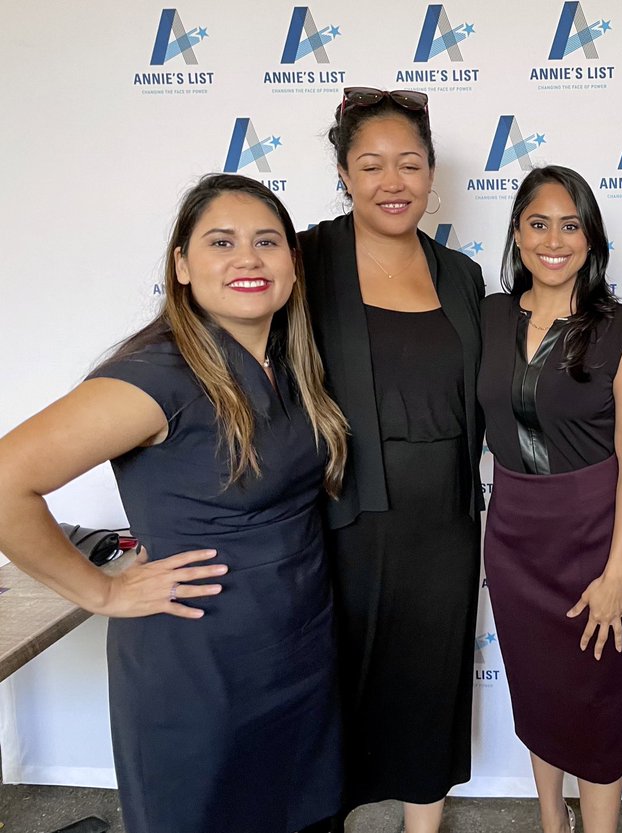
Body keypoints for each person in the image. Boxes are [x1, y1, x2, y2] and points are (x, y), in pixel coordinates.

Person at [0, 174, 349, 833]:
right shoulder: (159, 375)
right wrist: (101, 593)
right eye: (222, 242)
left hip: (297, 657)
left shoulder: (292, 361)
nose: (248, 258)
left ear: (292, 265)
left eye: (266, 241)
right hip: (198, 674)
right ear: (183, 266)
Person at [299, 87, 485, 833]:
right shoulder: (306, 259)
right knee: (332, 686)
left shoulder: (460, 276)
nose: (392, 181)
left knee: (429, 686)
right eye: (371, 164)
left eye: (409, 163)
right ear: (344, 173)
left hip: (444, 523)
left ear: (432, 174)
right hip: (341, 518)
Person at [478, 165, 622, 833]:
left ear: (591, 238)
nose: (554, 239)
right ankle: (554, 820)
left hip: (595, 537)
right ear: (518, 234)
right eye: (538, 223)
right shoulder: (490, 315)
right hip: (516, 533)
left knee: (598, 700)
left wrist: (617, 573)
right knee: (540, 690)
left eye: (570, 224)